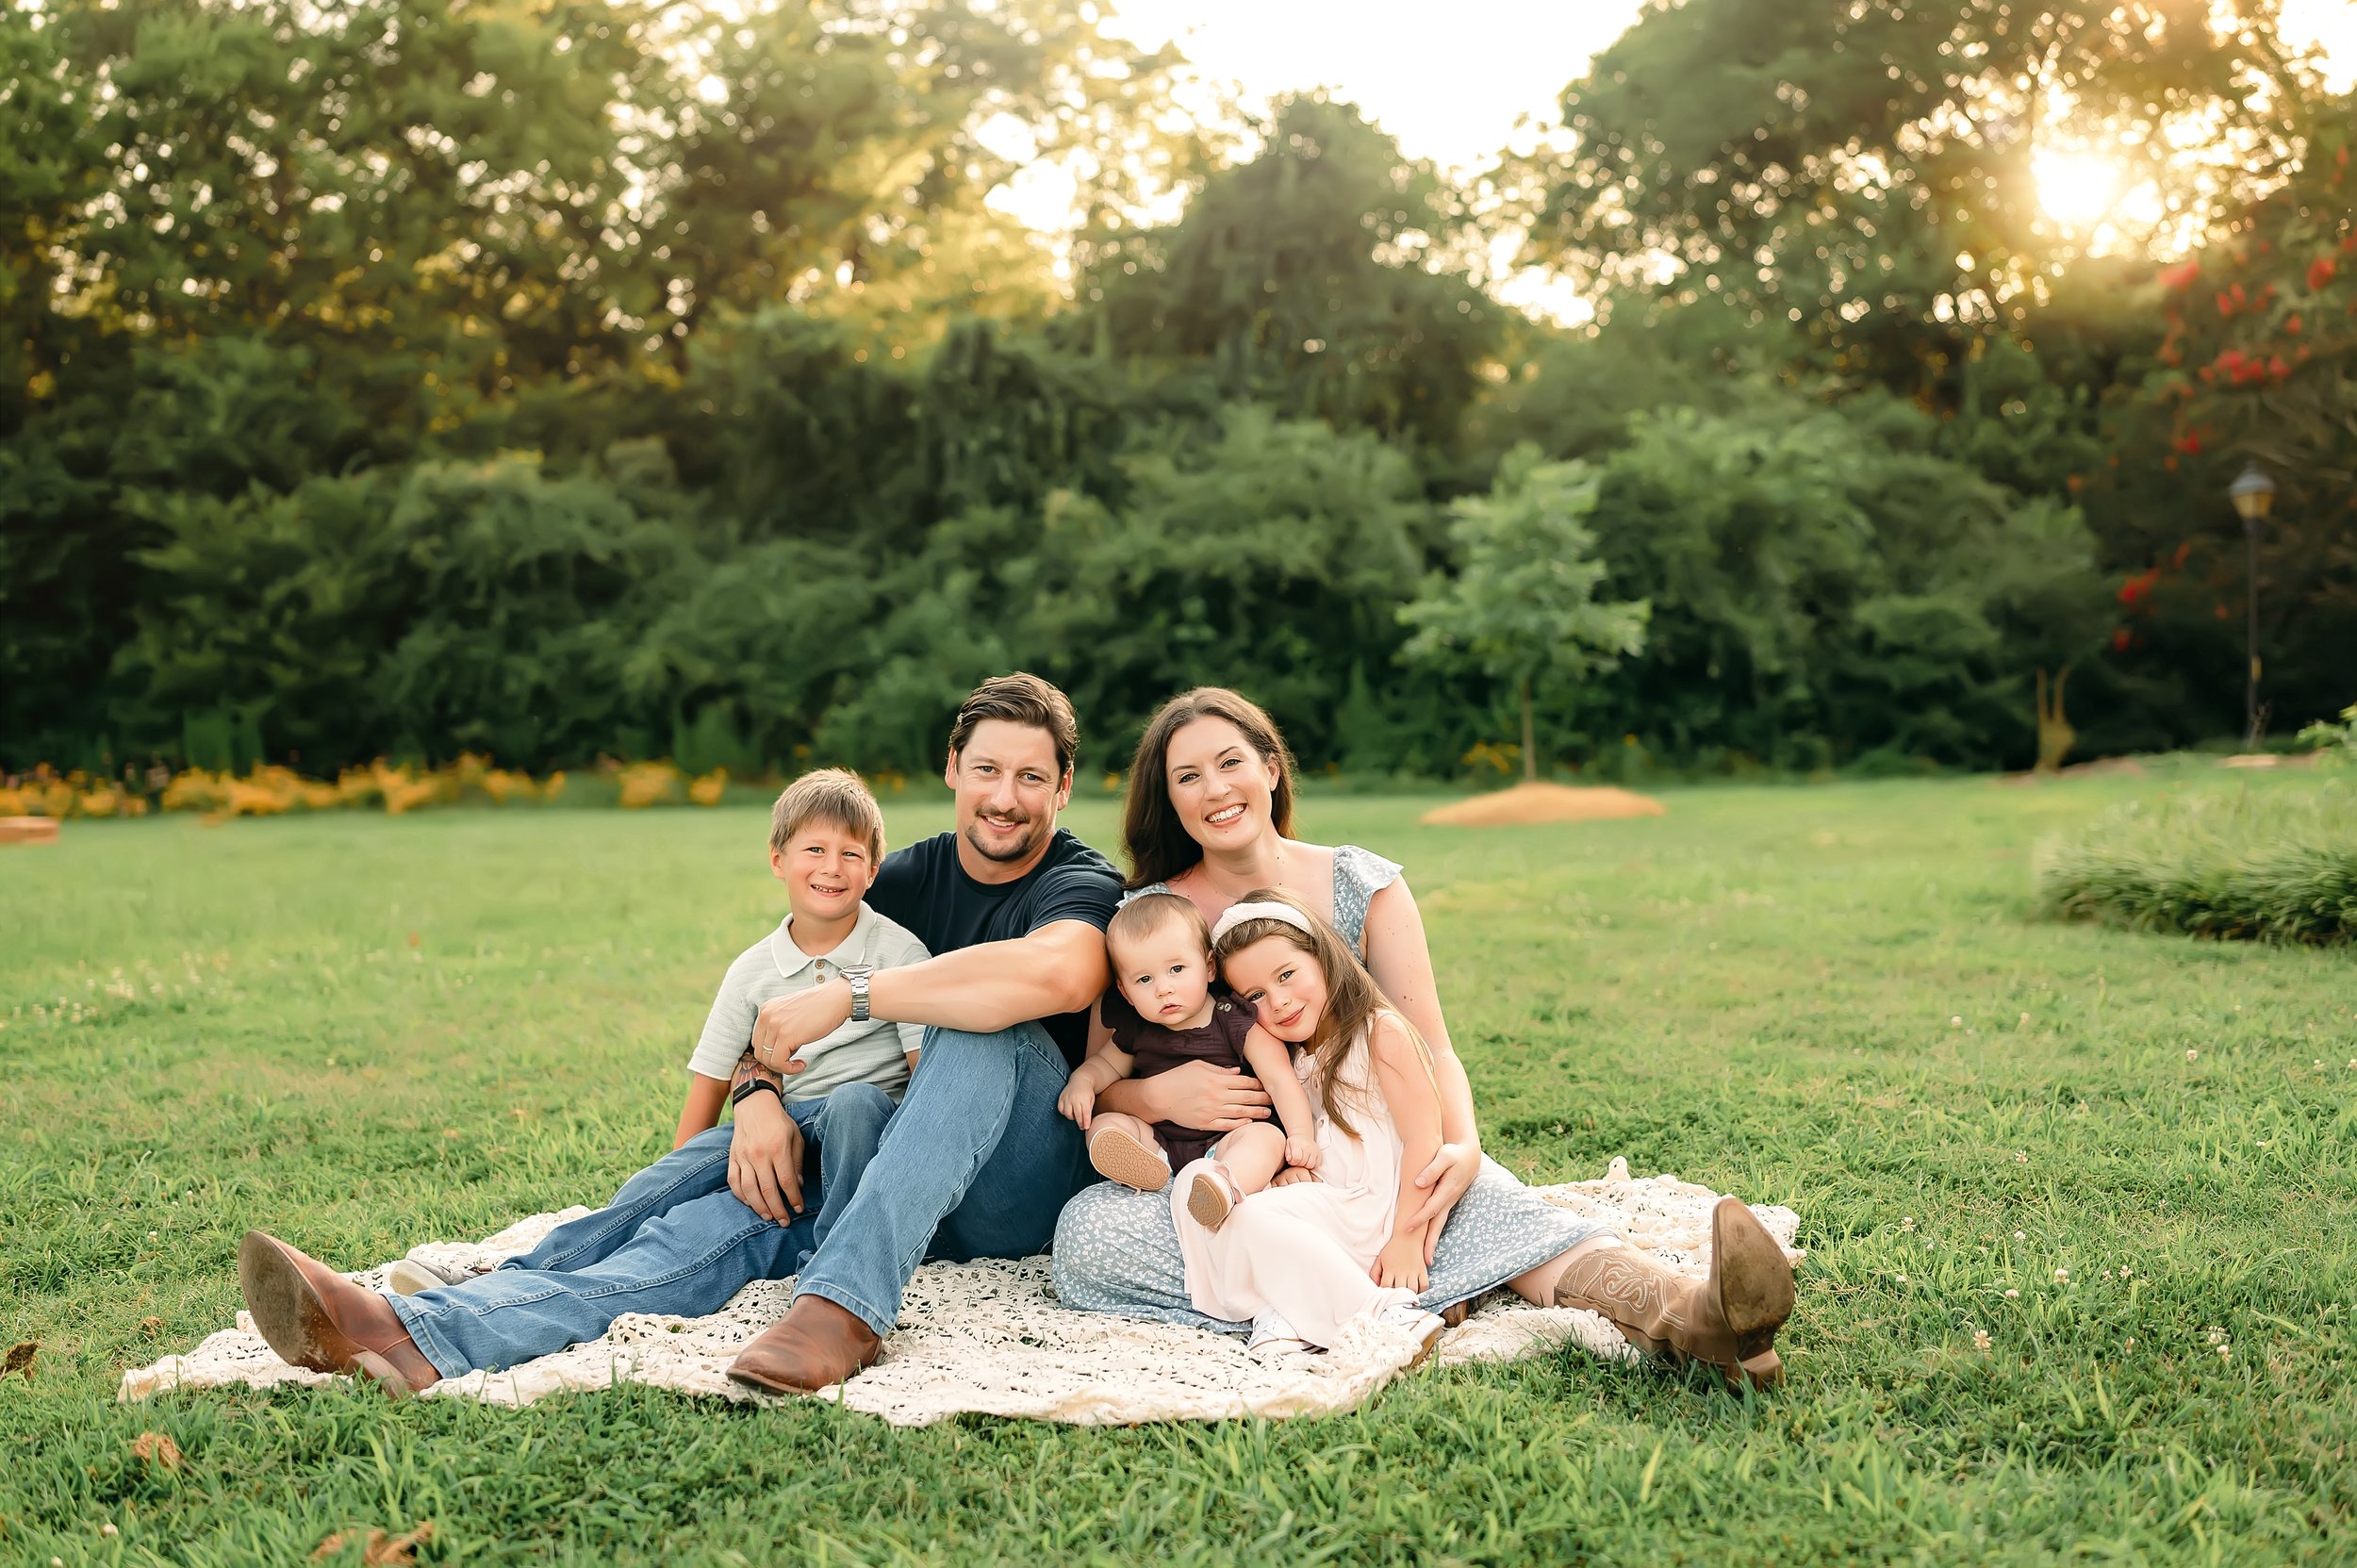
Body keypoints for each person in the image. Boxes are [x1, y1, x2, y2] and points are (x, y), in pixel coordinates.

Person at [238, 674, 1122, 1395]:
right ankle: (414, 1334)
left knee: (979, 1025)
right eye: (989, 769)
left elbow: (1060, 976)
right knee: (696, 1235)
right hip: (868, 1159)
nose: (1006, 798)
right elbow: (777, 991)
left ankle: (845, 1310)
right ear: (954, 768)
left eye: (1032, 777)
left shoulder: (1079, 878)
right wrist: (761, 1094)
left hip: (1014, 1184)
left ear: (1063, 788)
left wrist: (858, 994)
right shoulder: (892, 877)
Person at [1052, 687, 1797, 1386]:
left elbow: (1428, 1045)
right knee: (1091, 1234)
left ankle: (1685, 1313)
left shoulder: (1359, 883)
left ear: (1271, 769)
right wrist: (1155, 1092)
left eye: (1231, 762)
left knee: (1483, 1200)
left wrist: (1462, 1144)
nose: (1214, 789)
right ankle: (1386, 1293)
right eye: (1188, 776)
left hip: (1376, 1146)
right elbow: (1100, 1073)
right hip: (1242, 1176)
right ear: (1168, 797)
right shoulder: (1148, 915)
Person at [380, 769, 926, 1301]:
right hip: (781, 1134)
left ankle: (835, 1273)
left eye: (851, 855)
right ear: (777, 859)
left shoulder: (898, 955)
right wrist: (691, 1182)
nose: (832, 868)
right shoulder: (752, 971)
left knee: (857, 1102)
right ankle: (508, 1277)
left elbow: (929, 1082)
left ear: (873, 870)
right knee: (658, 1189)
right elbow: (709, 1088)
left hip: (862, 1136)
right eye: (814, 851)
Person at [1169, 889, 1451, 1361]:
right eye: (1255, 995)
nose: (1278, 1002)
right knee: (1197, 1187)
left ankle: (1383, 1313)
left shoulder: (1380, 1031)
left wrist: (1406, 1237)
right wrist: (1287, 1173)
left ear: (1322, 957)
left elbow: (1427, 1139)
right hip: (1328, 1202)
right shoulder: (1293, 1057)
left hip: (1372, 1208)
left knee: (1254, 1217)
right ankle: (1287, 1312)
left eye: (1286, 975)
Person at [1055, 892, 1322, 1230]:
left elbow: (1279, 1079)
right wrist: (1082, 1082)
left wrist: (1300, 1134)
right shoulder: (1138, 1030)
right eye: (1144, 979)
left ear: (1209, 967)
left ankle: (1222, 1185)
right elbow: (1104, 1067)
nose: (1163, 989)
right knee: (1104, 1126)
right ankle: (1142, 1168)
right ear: (1125, 992)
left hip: (1227, 1143)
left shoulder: (1234, 1020)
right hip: (1161, 1145)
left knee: (1266, 1140)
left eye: (1177, 969)